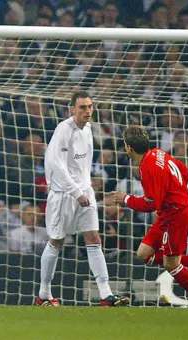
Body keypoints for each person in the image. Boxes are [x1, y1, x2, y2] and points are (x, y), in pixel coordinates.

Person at [38, 91, 129, 307]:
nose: (87, 110)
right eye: (82, 107)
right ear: (72, 109)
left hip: (84, 192)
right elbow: (55, 165)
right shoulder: (63, 130)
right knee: (56, 241)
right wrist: (76, 192)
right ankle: (43, 293)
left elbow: (83, 165)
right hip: (64, 196)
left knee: (94, 239)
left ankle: (106, 294)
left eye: (90, 106)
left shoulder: (88, 129)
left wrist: (87, 187)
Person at [111, 126, 188, 308]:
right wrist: (176, 189)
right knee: (144, 254)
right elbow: (184, 170)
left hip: (175, 216)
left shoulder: (148, 168)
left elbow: (150, 204)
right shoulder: (157, 153)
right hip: (168, 214)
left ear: (129, 148)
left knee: (171, 265)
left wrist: (125, 198)